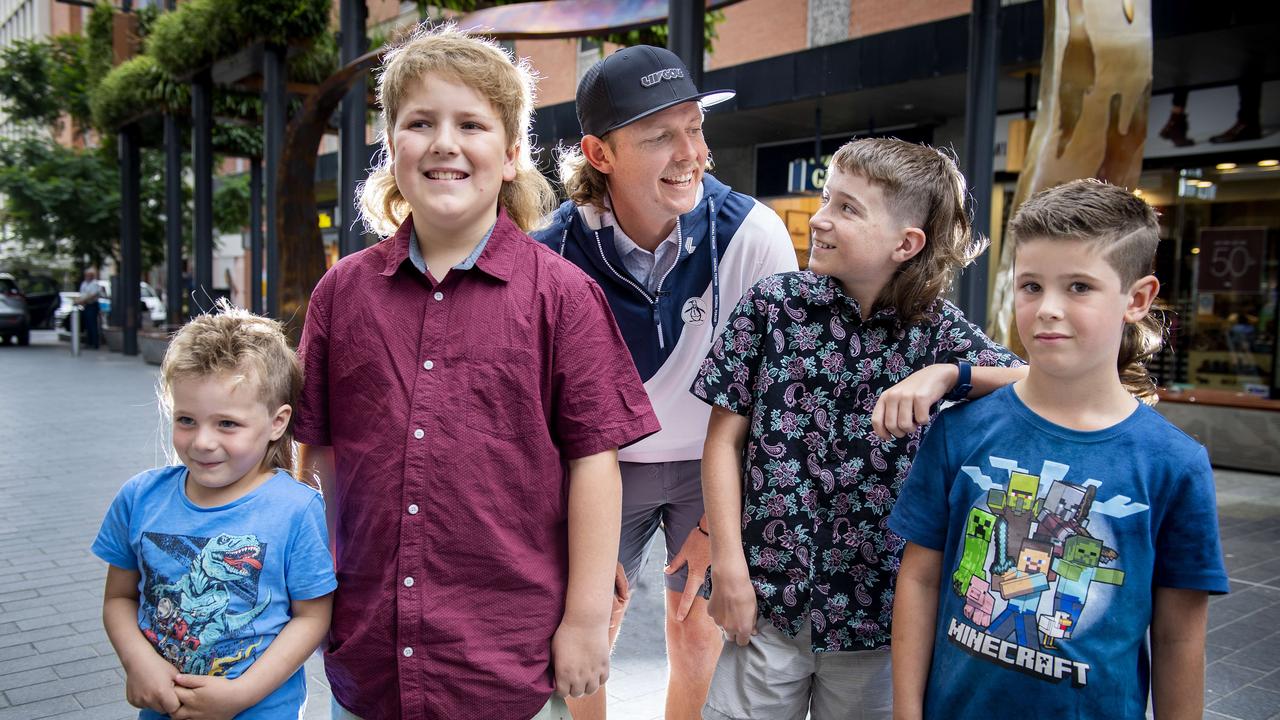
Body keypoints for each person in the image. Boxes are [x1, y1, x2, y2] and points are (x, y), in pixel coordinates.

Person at [293, 25, 660, 720]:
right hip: (371, 656)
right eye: (419, 123)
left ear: (514, 151)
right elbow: (318, 454)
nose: (444, 143)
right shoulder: (342, 293)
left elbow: (594, 462)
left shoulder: (563, 296)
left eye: (471, 124)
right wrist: (312, 583)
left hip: (507, 660)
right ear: (390, 144)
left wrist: (584, 618)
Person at [691, 137, 1026, 719]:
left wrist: (949, 374)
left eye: (847, 208)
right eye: (826, 199)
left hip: (878, 616)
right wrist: (730, 569)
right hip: (770, 600)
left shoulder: (937, 330)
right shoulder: (774, 305)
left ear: (907, 243)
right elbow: (723, 440)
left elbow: (1035, 378)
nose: (819, 219)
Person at [888, 179, 1229, 718]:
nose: (1047, 308)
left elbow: (1179, 639)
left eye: (1078, 287)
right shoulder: (959, 432)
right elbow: (921, 579)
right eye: (1030, 286)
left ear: (1137, 299)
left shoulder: (1175, 465)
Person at [530, 45, 799, 719]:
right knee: (589, 626)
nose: (690, 153)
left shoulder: (754, 235)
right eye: (658, 136)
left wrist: (718, 527)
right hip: (596, 463)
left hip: (709, 460)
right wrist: (579, 538)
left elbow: (777, 400)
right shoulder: (547, 251)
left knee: (696, 628)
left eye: (694, 126)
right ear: (600, 154)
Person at [92, 303, 336, 719]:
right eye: (187, 419)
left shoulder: (296, 509)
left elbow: (312, 617)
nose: (202, 442)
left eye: (227, 424)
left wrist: (241, 693)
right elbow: (118, 597)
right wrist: (139, 663)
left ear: (277, 422)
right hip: (162, 707)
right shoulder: (139, 498)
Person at [77, 268, 103, 349]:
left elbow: (93, 295)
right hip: (86, 305)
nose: (87, 277)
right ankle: (89, 342)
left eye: (89, 275)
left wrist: (84, 300)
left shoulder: (95, 284)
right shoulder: (84, 284)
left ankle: (95, 343)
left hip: (92, 305)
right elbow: (82, 294)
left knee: (93, 325)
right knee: (87, 325)